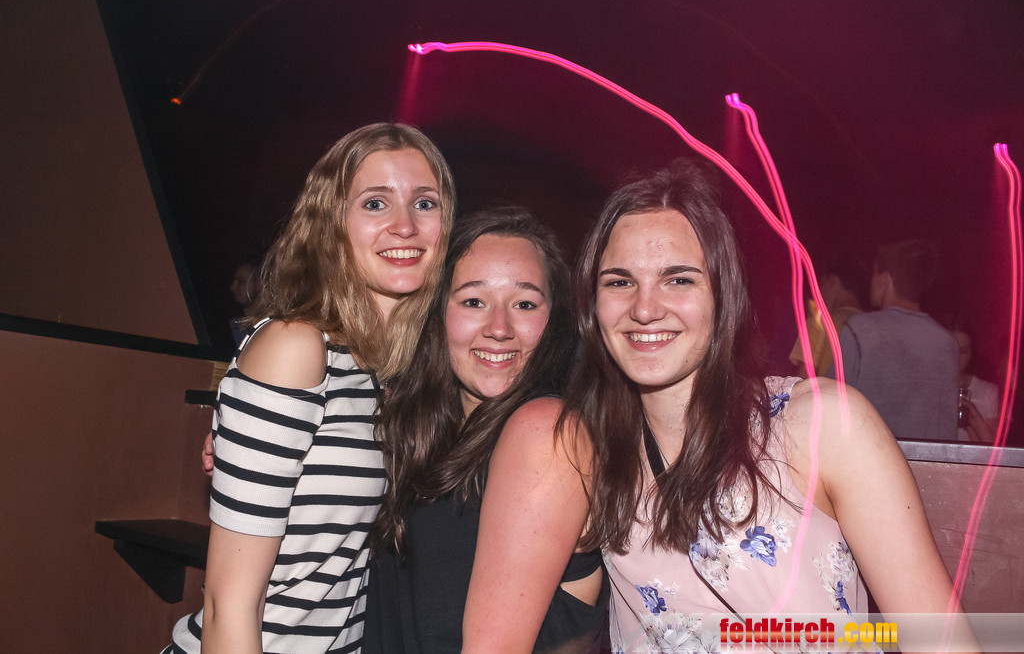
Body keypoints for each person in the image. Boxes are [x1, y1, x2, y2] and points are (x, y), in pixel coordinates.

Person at [565, 166, 970, 652]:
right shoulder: (587, 456)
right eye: (619, 282)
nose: (645, 308)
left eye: (678, 279)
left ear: (724, 295)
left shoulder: (819, 426)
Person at [165, 122, 455, 654]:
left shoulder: (385, 372)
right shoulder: (296, 347)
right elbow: (230, 605)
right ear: (331, 223)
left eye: (425, 203)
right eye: (375, 203)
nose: (405, 225)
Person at [365, 208, 607, 653]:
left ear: (553, 321)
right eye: (474, 301)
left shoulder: (547, 433)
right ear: (437, 312)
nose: (499, 329)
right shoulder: (417, 431)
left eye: (525, 304)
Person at [830, 238, 959, 440]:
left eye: (874, 273)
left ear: (885, 278)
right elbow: (948, 427)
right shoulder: (947, 343)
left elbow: (831, 402)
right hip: (925, 460)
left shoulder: (859, 331)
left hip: (870, 457)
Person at [788, 254, 864, 378]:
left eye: (822, 285)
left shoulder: (820, 324)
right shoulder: (872, 327)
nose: (819, 293)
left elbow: (804, 380)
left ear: (834, 281)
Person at [953, 326, 999, 443]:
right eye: (951, 350)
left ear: (972, 353)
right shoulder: (930, 389)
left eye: (963, 352)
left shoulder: (988, 391)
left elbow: (993, 449)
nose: (956, 357)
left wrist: (973, 421)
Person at [228, 258, 263, 345]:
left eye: (241, 282)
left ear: (260, 284)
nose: (232, 288)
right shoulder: (232, 326)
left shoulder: (271, 325)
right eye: (234, 281)